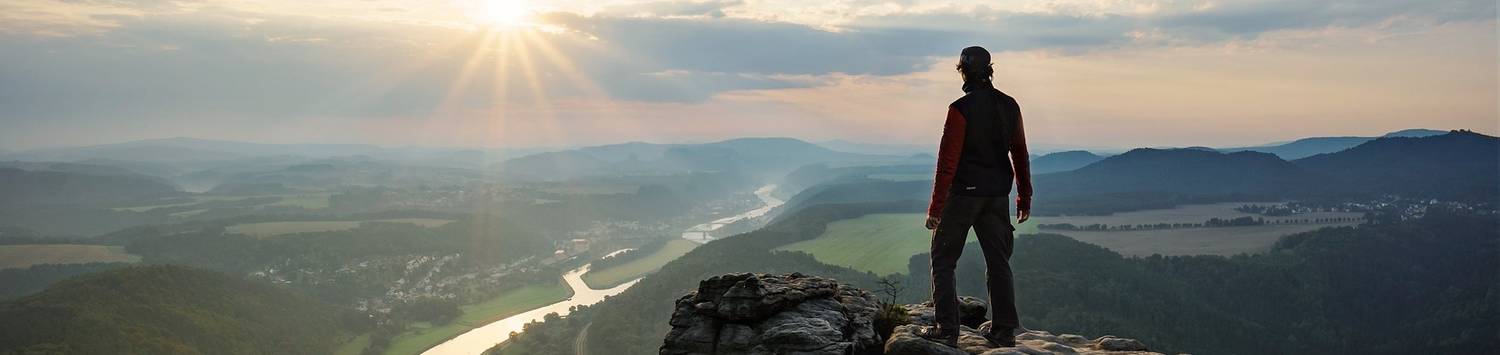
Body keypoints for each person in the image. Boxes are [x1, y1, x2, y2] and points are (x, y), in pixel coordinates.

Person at [917, 45, 1032, 348]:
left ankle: (946, 329)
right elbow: (1019, 153)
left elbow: (947, 163)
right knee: (998, 261)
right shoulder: (1010, 105)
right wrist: (1024, 196)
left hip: (964, 195)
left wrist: (935, 207)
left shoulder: (960, 109)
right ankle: (1004, 330)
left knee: (943, 259)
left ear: (963, 71)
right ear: (990, 69)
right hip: (997, 195)